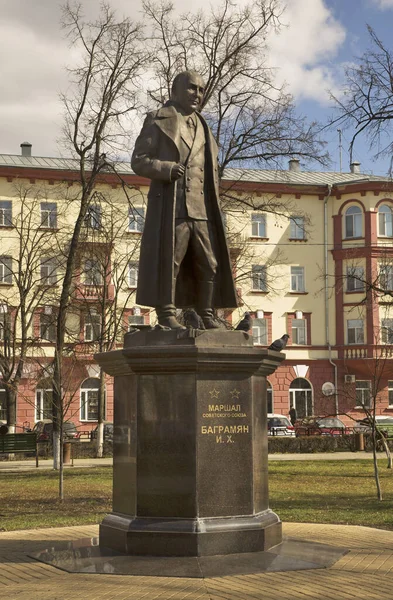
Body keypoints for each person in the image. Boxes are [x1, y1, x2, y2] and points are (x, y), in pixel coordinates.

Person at [131, 70, 237, 330]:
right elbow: (138, 160)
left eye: (201, 90)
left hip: (201, 208)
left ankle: (207, 313)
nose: (197, 95)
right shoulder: (158, 120)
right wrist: (165, 169)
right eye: (191, 88)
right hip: (172, 207)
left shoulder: (204, 126)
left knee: (210, 263)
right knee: (171, 261)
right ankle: (166, 313)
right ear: (175, 90)